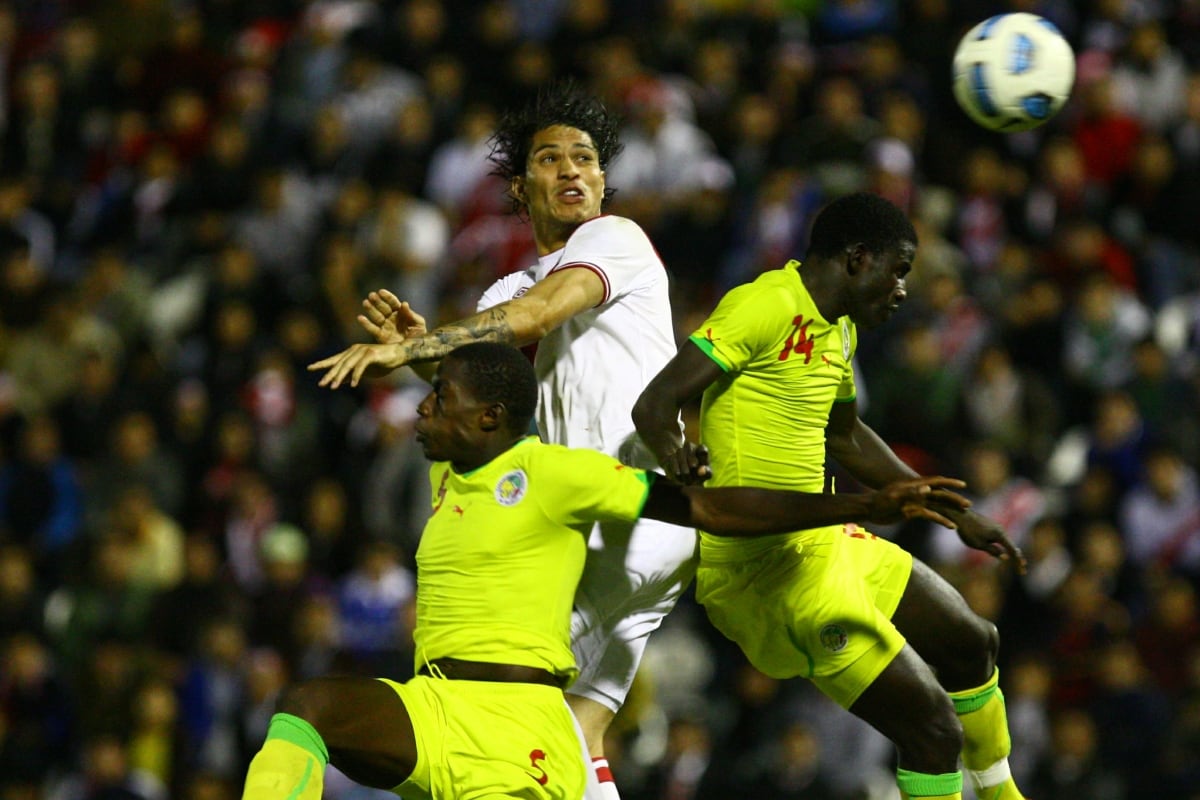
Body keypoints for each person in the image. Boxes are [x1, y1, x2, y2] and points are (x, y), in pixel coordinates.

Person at [244, 341, 970, 800]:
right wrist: (419, 348)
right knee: (309, 710)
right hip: (433, 706)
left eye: (440, 400)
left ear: (491, 417)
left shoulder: (557, 474)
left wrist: (866, 501)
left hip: (516, 730)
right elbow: (484, 377)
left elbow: (707, 509)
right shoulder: (450, 477)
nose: (424, 410)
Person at [309, 79, 695, 797]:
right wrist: (426, 352)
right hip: (625, 525)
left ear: (604, 180)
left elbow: (536, 318)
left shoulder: (615, 241)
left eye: (584, 158)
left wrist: (418, 355)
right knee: (575, 735)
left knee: (488, 702)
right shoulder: (503, 291)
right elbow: (476, 393)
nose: (572, 169)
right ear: (520, 189)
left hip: (621, 516)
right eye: (550, 160)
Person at [632, 192, 1029, 800]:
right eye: (897, 271)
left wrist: (959, 514)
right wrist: (675, 451)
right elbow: (655, 406)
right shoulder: (764, 305)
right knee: (931, 731)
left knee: (974, 642)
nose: (902, 290)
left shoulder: (839, 331)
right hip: (761, 574)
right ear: (856, 259)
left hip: (821, 542)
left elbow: (844, 435)